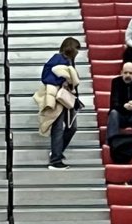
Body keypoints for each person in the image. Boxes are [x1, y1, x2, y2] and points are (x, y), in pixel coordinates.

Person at [35, 38, 82, 170]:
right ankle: (55, 159)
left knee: (71, 127)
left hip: (65, 97)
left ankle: (57, 152)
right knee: (59, 128)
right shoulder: (58, 58)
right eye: (77, 48)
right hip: (57, 98)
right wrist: (62, 80)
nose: (78, 52)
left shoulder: (68, 60)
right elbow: (46, 77)